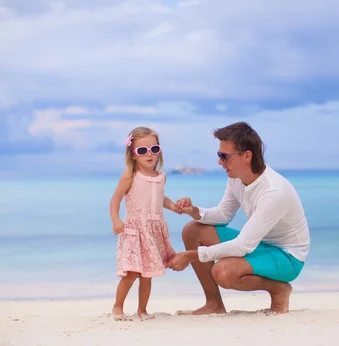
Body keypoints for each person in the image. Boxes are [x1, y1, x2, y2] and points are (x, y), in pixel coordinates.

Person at [167, 122, 310, 314]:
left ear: (247, 156)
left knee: (223, 272)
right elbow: (224, 215)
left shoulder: (274, 191)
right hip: (260, 245)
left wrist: (190, 256)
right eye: (219, 155)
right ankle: (214, 304)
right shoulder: (236, 178)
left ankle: (279, 289)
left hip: (288, 257)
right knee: (192, 230)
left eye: (224, 156)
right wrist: (194, 211)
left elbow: (243, 246)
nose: (220, 162)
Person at [109, 127, 180, 320]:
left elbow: (159, 198)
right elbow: (115, 200)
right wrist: (116, 220)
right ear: (133, 155)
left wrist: (174, 206)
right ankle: (118, 307)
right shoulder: (129, 177)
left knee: (147, 274)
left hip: (153, 230)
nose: (149, 154)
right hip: (134, 230)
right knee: (131, 273)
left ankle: (142, 310)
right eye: (142, 151)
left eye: (154, 149)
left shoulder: (160, 177)